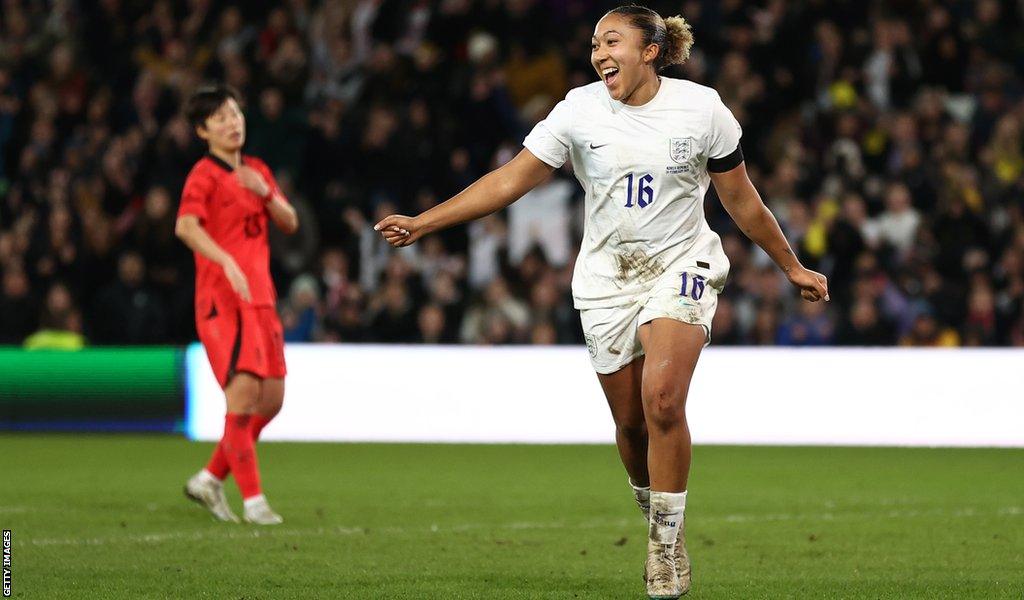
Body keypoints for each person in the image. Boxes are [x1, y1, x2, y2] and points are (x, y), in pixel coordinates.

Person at [376, 5, 829, 597]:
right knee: (631, 425)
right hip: (606, 280)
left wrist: (791, 264)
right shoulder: (578, 110)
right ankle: (658, 516)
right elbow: (510, 179)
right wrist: (425, 223)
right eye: (594, 44)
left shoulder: (702, 109)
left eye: (611, 41)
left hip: (681, 264)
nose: (598, 54)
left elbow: (742, 201)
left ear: (650, 49)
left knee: (663, 399)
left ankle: (665, 550)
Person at [175, 85, 299, 525]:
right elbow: (186, 227)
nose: (232, 122)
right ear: (202, 130)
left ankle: (210, 478)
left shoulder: (257, 169)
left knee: (272, 400)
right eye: (221, 118)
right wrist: (224, 259)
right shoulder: (203, 176)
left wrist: (265, 191)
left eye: (234, 113)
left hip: (261, 298)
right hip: (221, 300)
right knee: (243, 395)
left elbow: (290, 221)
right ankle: (254, 502)